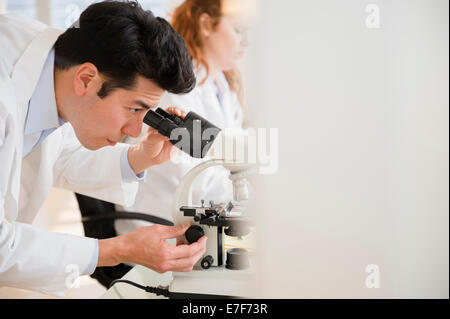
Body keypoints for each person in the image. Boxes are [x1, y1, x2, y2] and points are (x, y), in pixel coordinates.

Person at [0, 1, 207, 296]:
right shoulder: (5, 93)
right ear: (86, 79)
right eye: (134, 109)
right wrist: (118, 249)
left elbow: (58, 152)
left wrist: (138, 157)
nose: (136, 130)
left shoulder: (55, 66)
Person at [115, 0, 249, 235]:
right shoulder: (175, 89)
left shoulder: (222, 86)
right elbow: (192, 177)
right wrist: (256, 191)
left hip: (202, 217)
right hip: (160, 225)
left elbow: (231, 156)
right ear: (206, 24)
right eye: (238, 30)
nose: (245, 41)